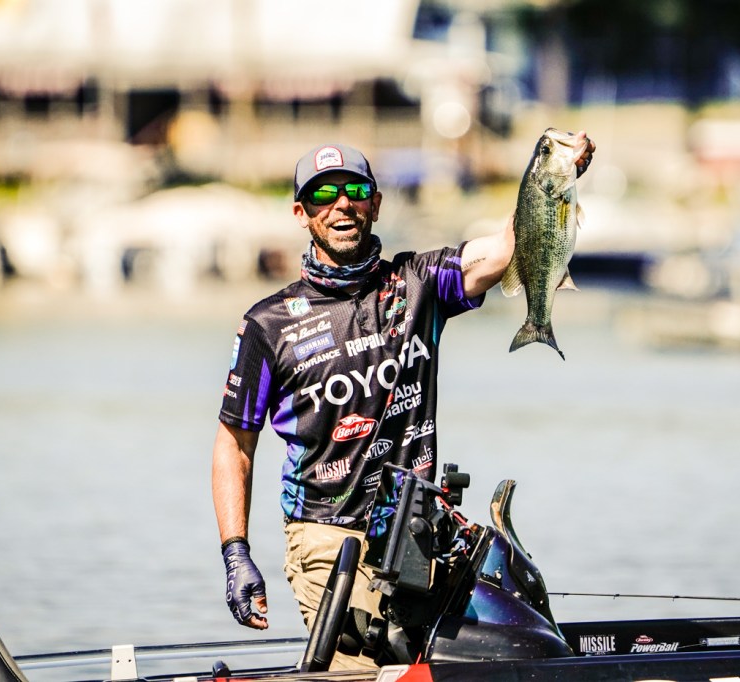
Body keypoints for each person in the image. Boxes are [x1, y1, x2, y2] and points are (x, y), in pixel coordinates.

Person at [211, 135, 594, 670]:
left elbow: (506, 249)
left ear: (375, 203)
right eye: (322, 195)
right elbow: (234, 445)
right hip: (327, 538)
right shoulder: (267, 325)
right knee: (366, 675)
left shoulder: (419, 282)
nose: (341, 204)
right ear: (301, 213)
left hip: (417, 533)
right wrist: (236, 552)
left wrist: (552, 177)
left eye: (354, 191)